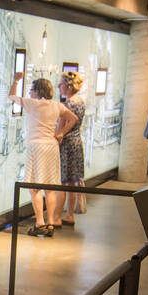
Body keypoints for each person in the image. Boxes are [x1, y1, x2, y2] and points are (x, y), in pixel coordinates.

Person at [11, 72, 77, 237]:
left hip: (36, 147)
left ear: (37, 91)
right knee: (50, 188)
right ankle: (51, 223)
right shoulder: (56, 105)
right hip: (51, 147)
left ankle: (40, 223)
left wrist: (16, 80)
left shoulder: (32, 104)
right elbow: (73, 118)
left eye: (32, 89)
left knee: (34, 188)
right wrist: (61, 133)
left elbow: (11, 96)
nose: (30, 92)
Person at [57, 70, 88, 225]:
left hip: (66, 145)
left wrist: (59, 134)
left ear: (68, 86)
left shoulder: (67, 105)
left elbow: (61, 126)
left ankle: (56, 215)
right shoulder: (81, 102)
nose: (59, 87)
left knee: (63, 180)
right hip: (76, 143)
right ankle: (70, 214)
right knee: (72, 181)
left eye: (61, 84)